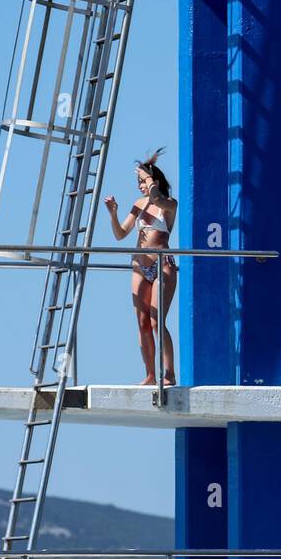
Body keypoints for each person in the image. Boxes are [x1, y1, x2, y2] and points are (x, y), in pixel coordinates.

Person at [104, 148, 178, 386]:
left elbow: (156, 198)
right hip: (139, 266)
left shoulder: (168, 204)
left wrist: (147, 175)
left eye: (142, 182)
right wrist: (113, 214)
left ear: (153, 181)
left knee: (158, 321)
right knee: (143, 322)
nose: (140, 187)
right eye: (138, 182)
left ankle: (169, 373)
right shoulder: (138, 204)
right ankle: (149, 373)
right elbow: (120, 234)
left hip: (161, 265)